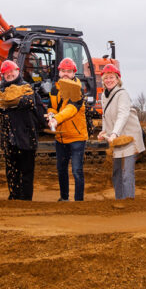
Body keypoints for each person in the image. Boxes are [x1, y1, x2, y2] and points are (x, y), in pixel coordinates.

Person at [0, 60, 42, 200]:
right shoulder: (0, 90)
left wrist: (8, 103)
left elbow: (28, 102)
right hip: (9, 138)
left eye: (11, 71)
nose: (9, 74)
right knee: (12, 171)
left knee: (26, 171)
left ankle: (25, 199)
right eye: (6, 73)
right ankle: (13, 197)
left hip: (26, 137)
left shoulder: (26, 87)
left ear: (18, 71)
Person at [97, 64, 145, 199]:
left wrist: (114, 133)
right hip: (117, 138)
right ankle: (120, 199)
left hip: (129, 138)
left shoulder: (122, 94)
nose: (109, 80)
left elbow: (122, 114)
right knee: (117, 172)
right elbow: (105, 115)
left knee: (126, 173)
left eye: (112, 77)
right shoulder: (104, 95)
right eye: (106, 78)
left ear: (118, 79)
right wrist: (104, 131)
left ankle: (129, 201)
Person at [48, 58, 88, 201]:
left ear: (73, 73)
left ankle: (79, 201)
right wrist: (51, 113)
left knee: (77, 171)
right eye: (63, 71)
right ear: (59, 72)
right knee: (61, 169)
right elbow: (53, 106)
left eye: (69, 71)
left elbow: (71, 109)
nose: (65, 74)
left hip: (77, 137)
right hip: (61, 137)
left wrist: (56, 119)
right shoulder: (54, 89)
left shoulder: (77, 90)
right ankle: (64, 198)